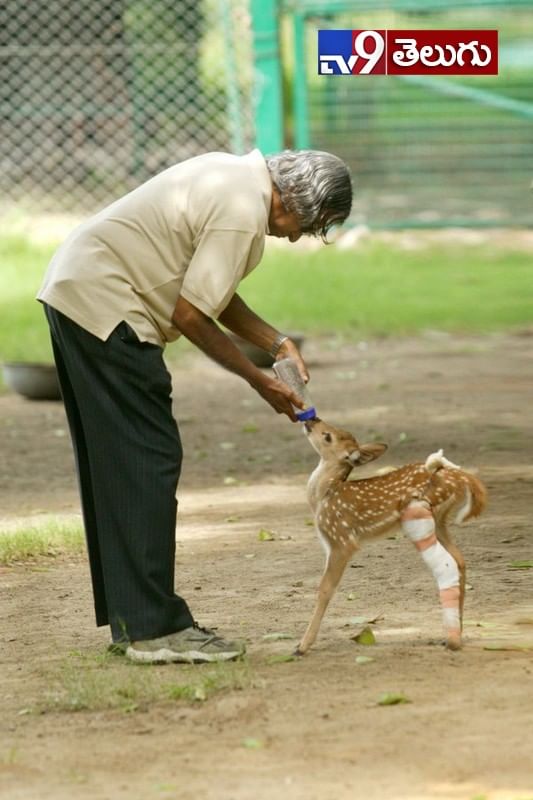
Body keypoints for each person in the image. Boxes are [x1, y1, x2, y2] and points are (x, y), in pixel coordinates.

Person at [37, 148, 353, 664]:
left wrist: (276, 343)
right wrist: (257, 380)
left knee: (120, 465)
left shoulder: (233, 179)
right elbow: (191, 313)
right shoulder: (242, 211)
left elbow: (211, 292)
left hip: (80, 289)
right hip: (109, 304)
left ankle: (134, 619)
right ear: (292, 198)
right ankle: (153, 629)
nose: (295, 235)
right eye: (306, 224)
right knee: (147, 459)